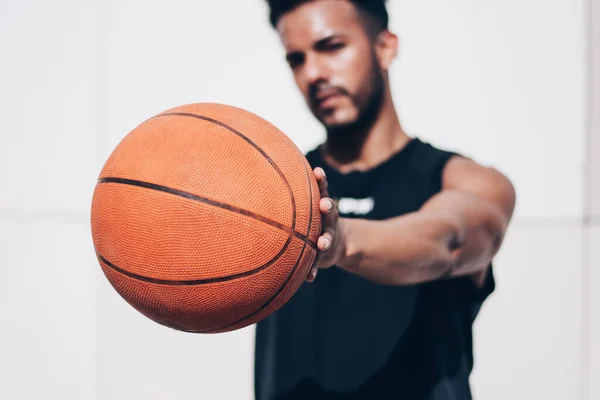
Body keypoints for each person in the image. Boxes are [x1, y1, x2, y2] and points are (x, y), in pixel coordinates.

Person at [254, 1, 516, 399]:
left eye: (332, 46)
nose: (313, 73)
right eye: (296, 59)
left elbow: (447, 241)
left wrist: (339, 241)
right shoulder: (271, 185)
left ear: (385, 48)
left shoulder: (467, 180)